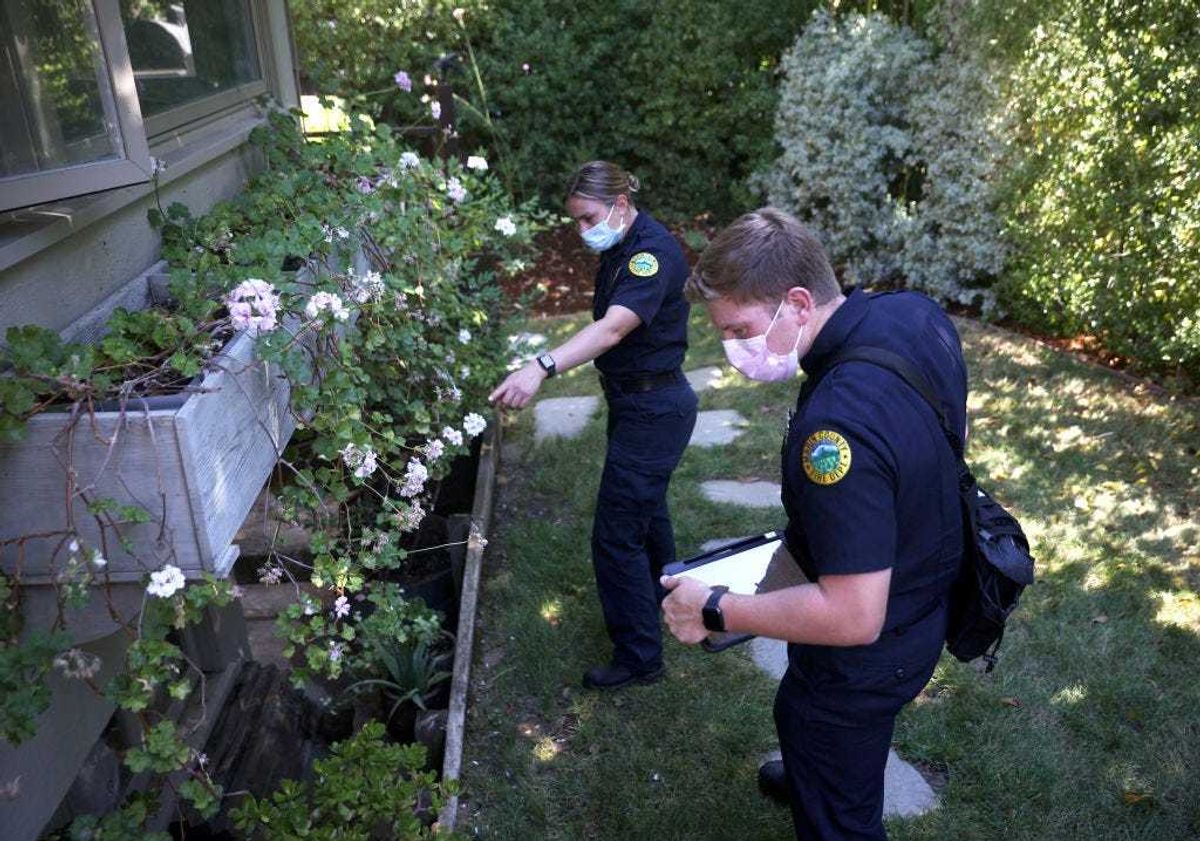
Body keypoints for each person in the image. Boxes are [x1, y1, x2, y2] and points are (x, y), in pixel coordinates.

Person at [660, 208, 967, 840]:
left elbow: (854, 617)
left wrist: (715, 609)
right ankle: (816, 773)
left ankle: (827, 788)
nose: (733, 348)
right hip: (927, 586)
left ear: (798, 302)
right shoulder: (913, 313)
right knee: (811, 726)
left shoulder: (835, 433)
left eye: (741, 328)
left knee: (820, 736)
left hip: (874, 649)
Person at [489, 161, 698, 690]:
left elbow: (611, 330)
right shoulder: (621, 247)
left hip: (655, 409)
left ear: (620, 205)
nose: (583, 232)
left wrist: (540, 366)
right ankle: (668, 600)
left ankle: (639, 657)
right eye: (576, 222)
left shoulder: (651, 254)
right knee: (646, 516)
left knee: (615, 536)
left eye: (587, 219)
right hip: (638, 405)